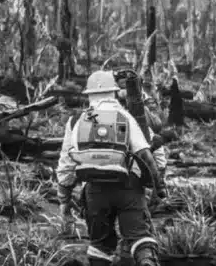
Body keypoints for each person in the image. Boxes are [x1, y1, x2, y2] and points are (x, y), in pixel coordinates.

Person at [56, 70, 167, 266]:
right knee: (139, 237)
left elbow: (66, 166)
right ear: (114, 92)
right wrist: (158, 186)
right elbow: (145, 154)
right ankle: (147, 261)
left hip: (94, 191)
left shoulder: (76, 121)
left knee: (100, 245)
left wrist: (64, 198)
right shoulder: (126, 117)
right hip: (129, 187)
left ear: (89, 94)